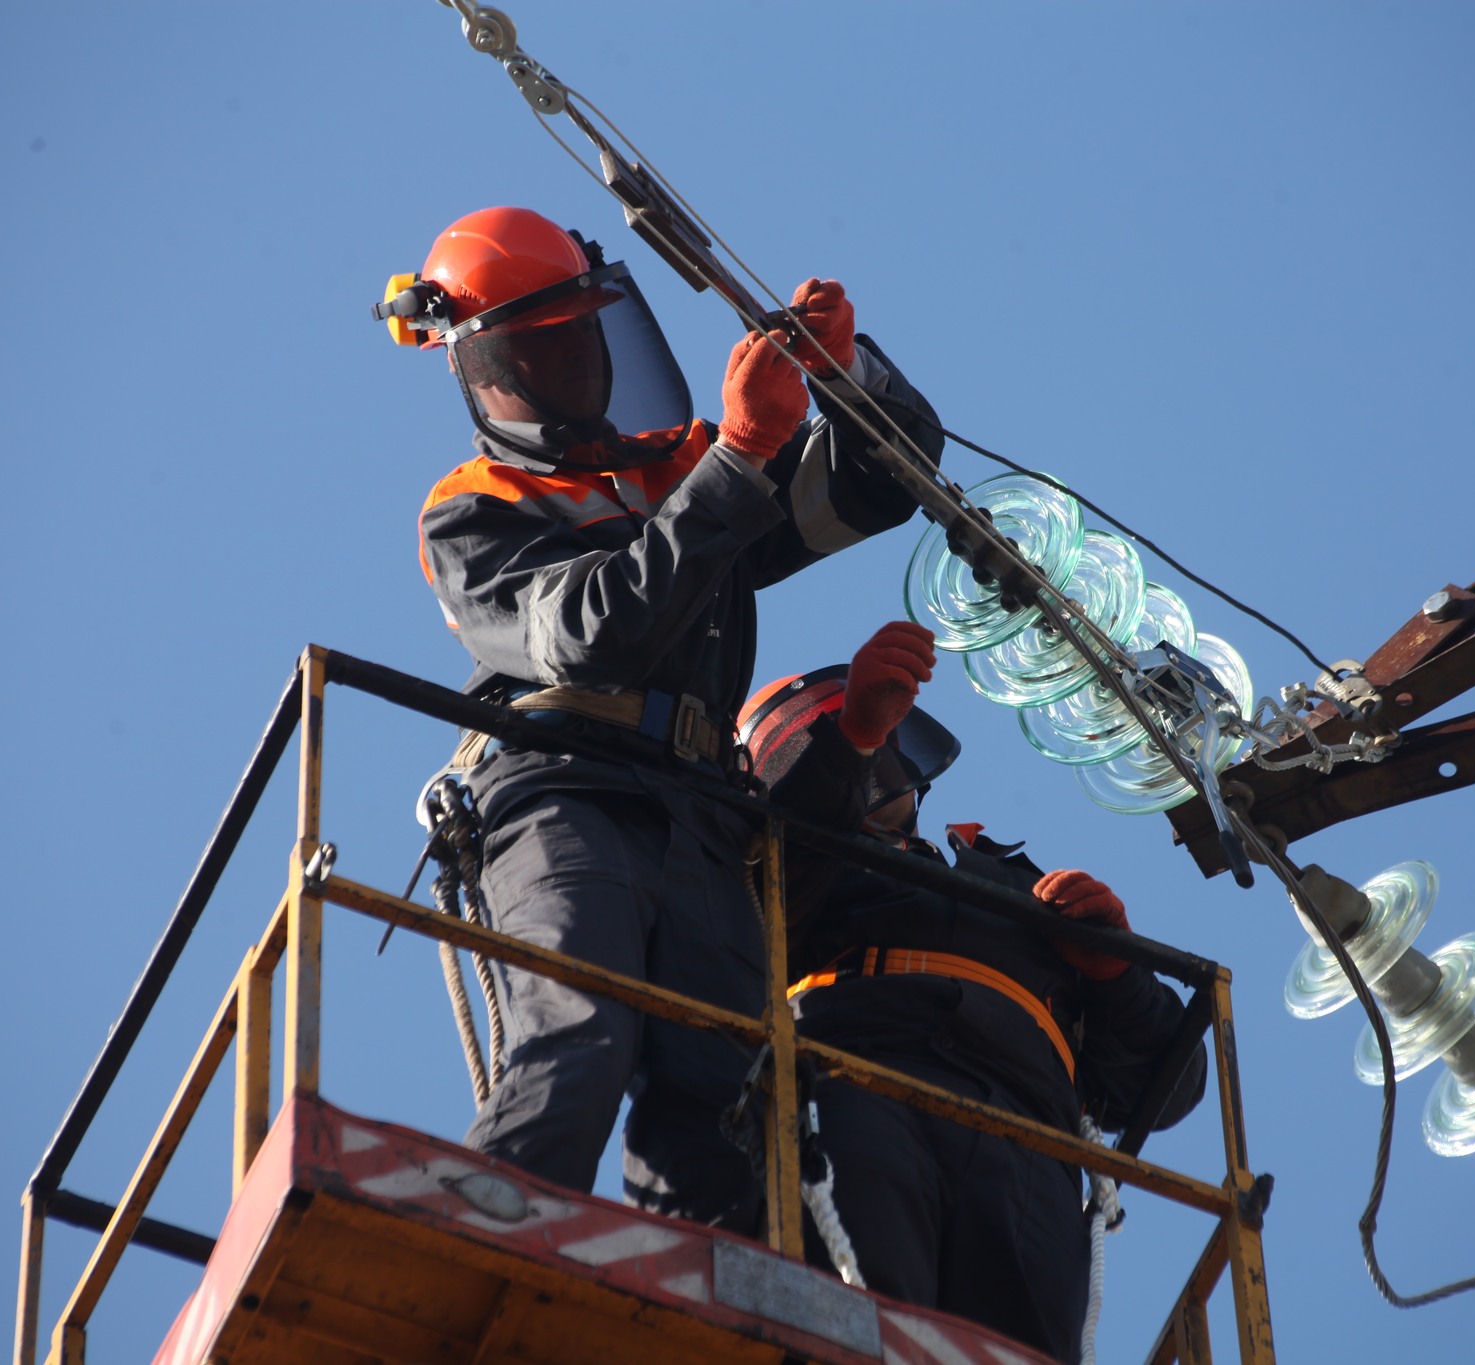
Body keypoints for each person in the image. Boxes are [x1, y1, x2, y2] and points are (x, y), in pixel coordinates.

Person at [377, 205, 942, 1233]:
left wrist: (842, 376)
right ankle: (480, 1239)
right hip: (565, 791)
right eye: (534, 346)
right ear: (479, 366)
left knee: (724, 1095)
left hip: (701, 815)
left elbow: (876, 482)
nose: (571, 363)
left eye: (578, 332)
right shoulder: (475, 507)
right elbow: (594, 633)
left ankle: (708, 1306)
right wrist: (738, 456)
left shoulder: (673, 474)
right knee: (579, 1025)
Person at [740, 620, 1208, 1363]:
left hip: (1029, 1129)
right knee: (856, 1321)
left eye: (877, 737)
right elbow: (751, 919)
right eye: (828, 744)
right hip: (855, 1075)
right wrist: (848, 739)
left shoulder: (1008, 879)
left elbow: (1170, 1087)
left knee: (1018, 1346)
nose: (872, 757)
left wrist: (1115, 970)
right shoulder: (778, 864)